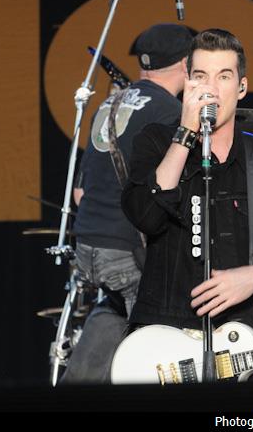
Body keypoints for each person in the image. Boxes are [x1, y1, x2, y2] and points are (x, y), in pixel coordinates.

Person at [120, 28, 253, 367]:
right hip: (163, 345)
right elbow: (147, 216)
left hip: (247, 343)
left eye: (223, 76)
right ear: (187, 82)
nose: (211, 88)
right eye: (201, 76)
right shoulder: (155, 142)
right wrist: (185, 134)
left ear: (241, 87)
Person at [61, 24, 193, 383]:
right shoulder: (170, 112)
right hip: (125, 250)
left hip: (89, 245)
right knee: (154, 350)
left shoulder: (110, 103)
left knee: (116, 307)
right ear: (186, 64)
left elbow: (80, 193)